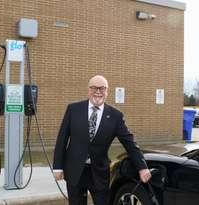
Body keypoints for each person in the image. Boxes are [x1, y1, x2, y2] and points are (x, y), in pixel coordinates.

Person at [53, 75, 151, 205]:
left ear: (107, 91)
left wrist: (142, 167)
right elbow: (62, 139)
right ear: (88, 90)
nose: (98, 91)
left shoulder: (116, 116)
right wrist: (57, 167)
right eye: (94, 88)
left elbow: (130, 143)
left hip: (99, 172)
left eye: (102, 88)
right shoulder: (73, 109)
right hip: (74, 170)